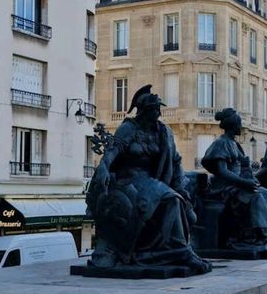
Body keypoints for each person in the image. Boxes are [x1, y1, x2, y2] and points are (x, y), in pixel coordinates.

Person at [86, 85, 211, 274]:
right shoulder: (129, 128)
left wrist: (182, 187)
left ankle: (170, 251)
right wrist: (103, 168)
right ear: (144, 111)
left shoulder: (163, 132)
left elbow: (175, 161)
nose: (158, 113)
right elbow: (113, 151)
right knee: (170, 200)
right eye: (154, 109)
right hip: (128, 180)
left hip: (151, 180)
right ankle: (181, 251)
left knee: (175, 198)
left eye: (158, 109)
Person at [201, 108, 267, 252]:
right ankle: (264, 234)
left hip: (238, 184)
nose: (241, 127)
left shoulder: (235, 144)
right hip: (225, 187)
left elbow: (242, 168)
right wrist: (244, 182)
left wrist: (250, 179)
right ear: (233, 125)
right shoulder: (221, 143)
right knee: (256, 196)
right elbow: (222, 171)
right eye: (239, 124)